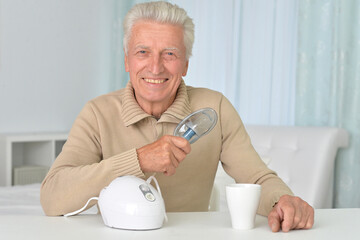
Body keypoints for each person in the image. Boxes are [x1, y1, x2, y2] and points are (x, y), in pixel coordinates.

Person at [40, 1, 314, 232]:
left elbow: (258, 178)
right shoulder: (97, 113)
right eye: (142, 52)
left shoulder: (214, 107)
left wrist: (283, 201)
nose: (156, 66)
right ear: (127, 60)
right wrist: (139, 159)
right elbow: (53, 197)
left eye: (169, 54)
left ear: (185, 64)